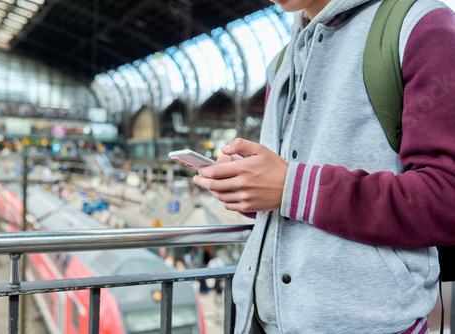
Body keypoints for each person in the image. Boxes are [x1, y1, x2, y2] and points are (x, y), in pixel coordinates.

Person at [193, 0, 455, 333]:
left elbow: (447, 197)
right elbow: (287, 196)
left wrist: (292, 186)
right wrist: (247, 186)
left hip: (369, 324)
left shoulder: (419, 25)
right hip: (257, 319)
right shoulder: (280, 64)